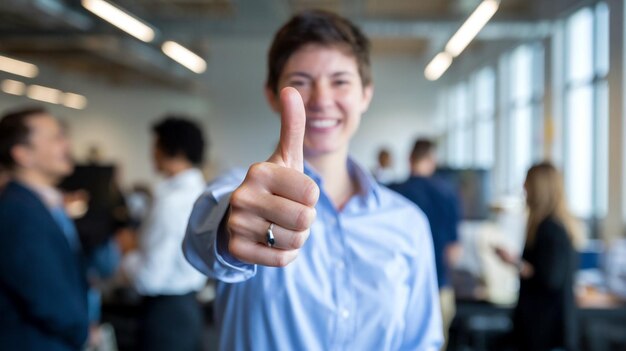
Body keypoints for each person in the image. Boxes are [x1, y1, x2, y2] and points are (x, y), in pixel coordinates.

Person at [183, 10, 442, 351]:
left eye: (340, 81)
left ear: (365, 93)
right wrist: (232, 228)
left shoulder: (408, 224)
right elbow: (204, 233)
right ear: (272, 95)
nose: (321, 100)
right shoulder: (245, 191)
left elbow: (421, 342)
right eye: (301, 81)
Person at [0, 107, 88, 350]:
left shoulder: (37, 205)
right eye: (56, 137)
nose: (67, 144)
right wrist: (82, 331)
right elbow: (47, 296)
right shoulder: (18, 213)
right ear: (23, 154)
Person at [121, 117, 208, 351]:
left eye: (156, 145)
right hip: (189, 309)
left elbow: (149, 279)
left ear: (173, 150)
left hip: (165, 316)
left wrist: (128, 249)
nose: (152, 153)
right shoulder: (201, 193)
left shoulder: (171, 203)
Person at [495, 162, 581, 351]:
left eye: (527, 184)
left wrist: (516, 263)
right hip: (547, 328)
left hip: (547, 331)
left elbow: (550, 278)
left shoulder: (550, 229)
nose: (524, 190)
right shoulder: (552, 226)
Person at [389, 138, 462, 349]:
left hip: (396, 287)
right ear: (432, 160)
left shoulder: (392, 192)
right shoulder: (447, 192)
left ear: (409, 159)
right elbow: (454, 252)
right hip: (437, 285)